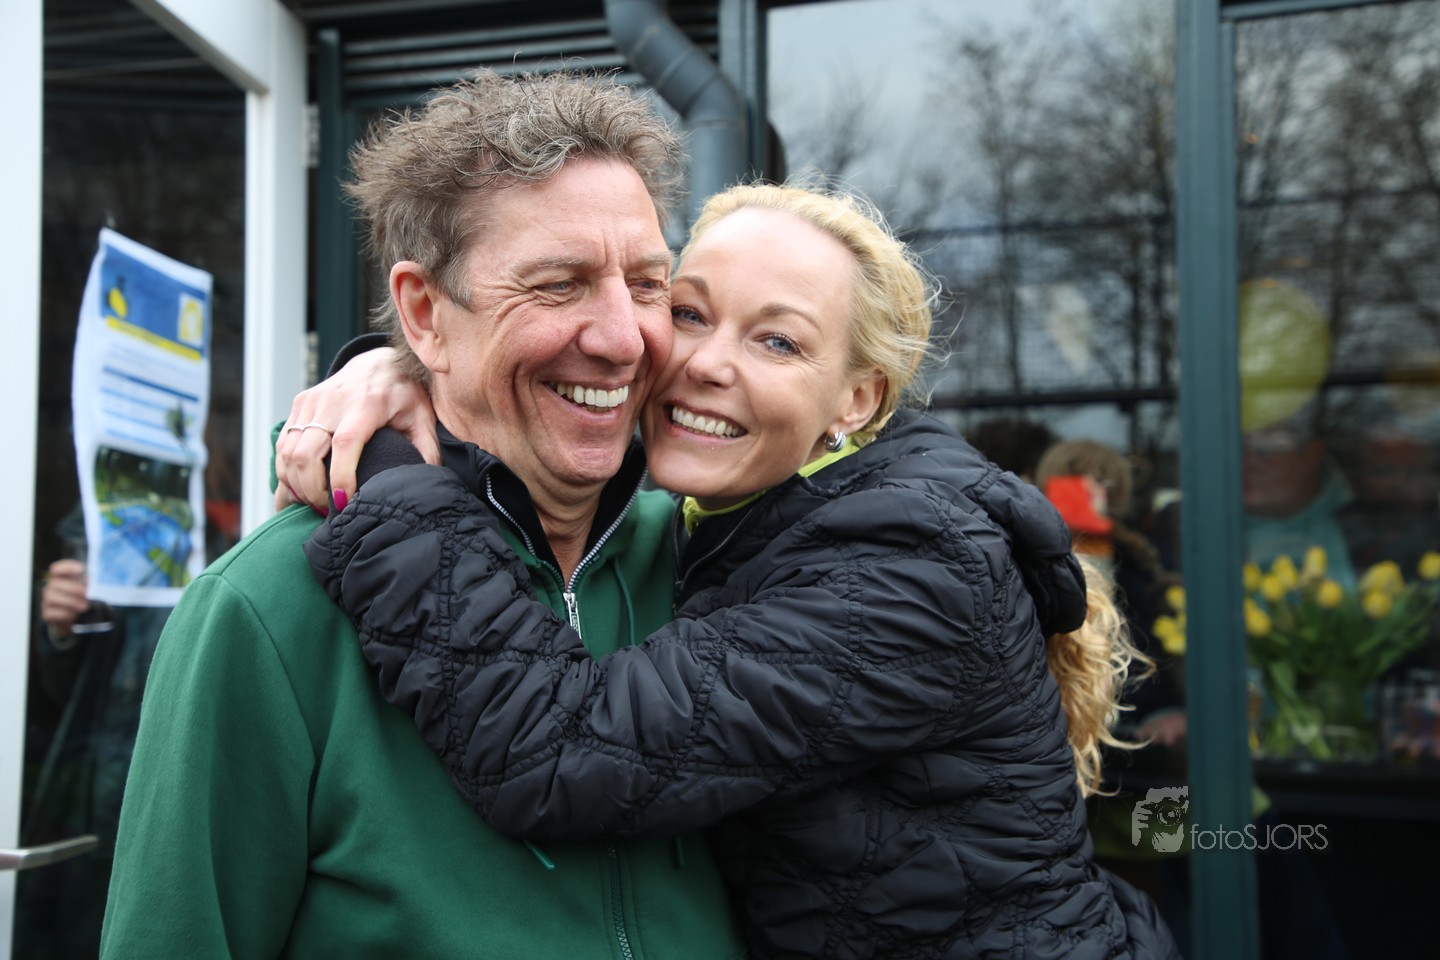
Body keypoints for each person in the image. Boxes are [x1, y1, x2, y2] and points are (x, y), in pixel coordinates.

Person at [290, 183, 1180, 957]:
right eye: (689, 314)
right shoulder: (751, 523)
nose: (708, 364)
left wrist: (387, 480)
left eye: (777, 343)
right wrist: (407, 373)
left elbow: (560, 751)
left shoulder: (910, 566)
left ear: (856, 400)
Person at [100, 70, 748, 959]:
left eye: (646, 284)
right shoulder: (267, 609)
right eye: (558, 285)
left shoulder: (716, 560)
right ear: (424, 313)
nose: (622, 337)